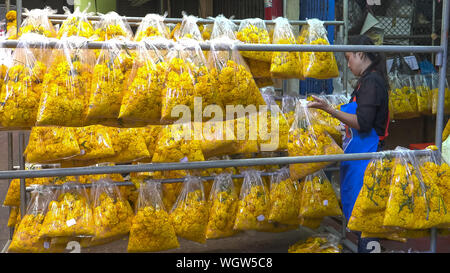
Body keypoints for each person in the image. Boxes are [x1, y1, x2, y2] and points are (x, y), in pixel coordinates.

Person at [307, 34, 389, 253]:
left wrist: (329, 110)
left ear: (360, 54)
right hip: (357, 158)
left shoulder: (372, 82)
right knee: (360, 219)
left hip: (367, 160)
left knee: (367, 221)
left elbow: (362, 123)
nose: (348, 63)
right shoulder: (366, 81)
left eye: (349, 57)